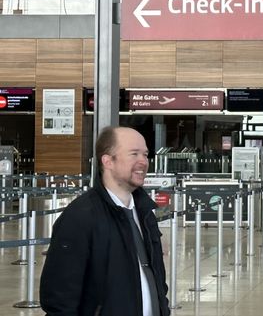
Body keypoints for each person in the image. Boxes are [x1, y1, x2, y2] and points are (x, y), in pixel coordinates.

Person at [40, 126, 170, 316]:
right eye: (134, 154)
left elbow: (157, 279)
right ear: (107, 161)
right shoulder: (80, 217)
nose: (143, 161)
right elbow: (60, 298)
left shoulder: (145, 213)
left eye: (145, 154)